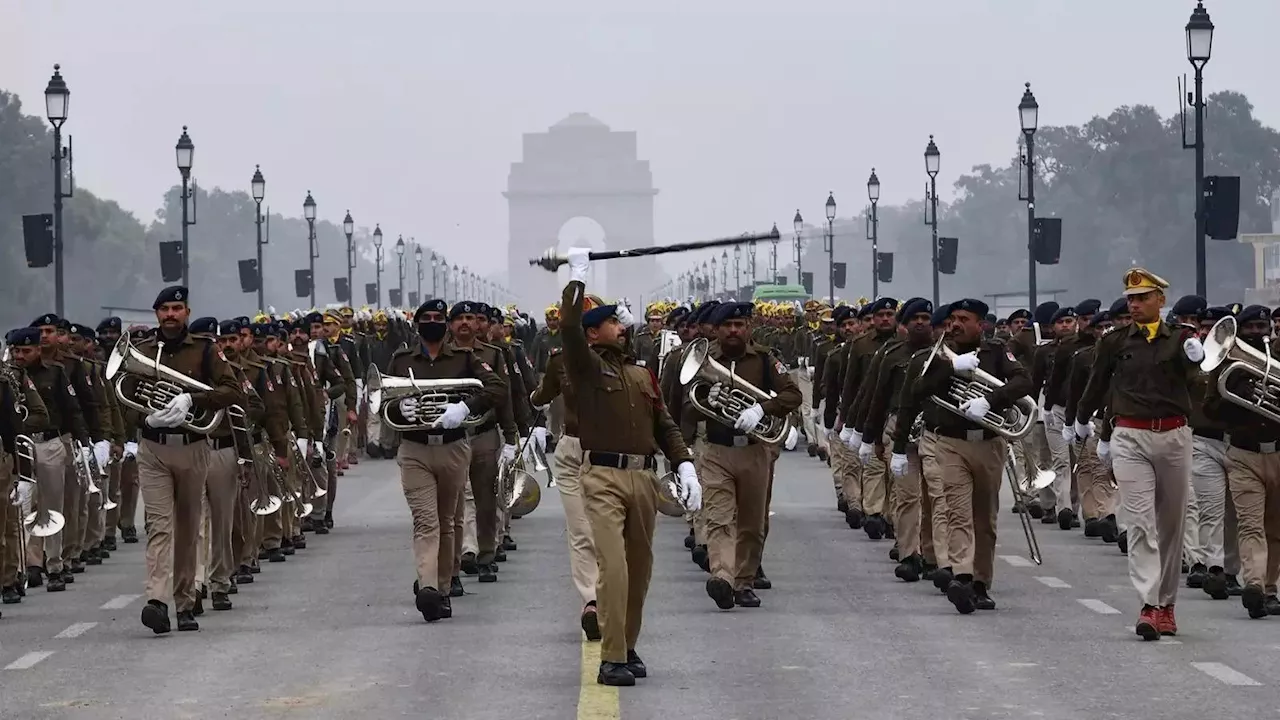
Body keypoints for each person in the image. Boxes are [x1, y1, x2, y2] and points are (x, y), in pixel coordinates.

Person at [559, 247, 700, 687]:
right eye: (613, 322)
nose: (623, 327)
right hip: (601, 476)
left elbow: (665, 424)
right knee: (614, 569)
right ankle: (611, 656)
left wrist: (685, 464)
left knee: (640, 570)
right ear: (594, 334)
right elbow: (567, 327)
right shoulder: (584, 368)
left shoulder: (642, 375)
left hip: (643, 477)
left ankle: (628, 645)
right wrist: (576, 279)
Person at [1074, 268, 1201, 640]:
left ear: (1161, 300)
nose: (1134, 304)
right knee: (1141, 521)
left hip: (1174, 434)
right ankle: (1148, 604)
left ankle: (1167, 604)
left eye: (1143, 297)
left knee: (1172, 525)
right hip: (1129, 435)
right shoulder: (1114, 341)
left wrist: (1198, 359)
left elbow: (1200, 386)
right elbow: (1098, 382)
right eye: (1130, 298)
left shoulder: (1180, 339)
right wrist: (1082, 420)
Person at [123, 286, 246, 634]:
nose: (171, 315)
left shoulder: (206, 350)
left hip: (193, 445)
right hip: (153, 448)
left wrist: (193, 400)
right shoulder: (143, 350)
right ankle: (157, 601)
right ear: (157, 314)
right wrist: (145, 420)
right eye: (164, 309)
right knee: (159, 526)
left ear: (187, 312)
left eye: (177, 308)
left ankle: (185, 601)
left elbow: (232, 391)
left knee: (189, 529)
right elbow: (124, 398)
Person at [898, 298, 1031, 614]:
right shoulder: (937, 354)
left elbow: (1024, 381)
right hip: (949, 443)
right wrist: (948, 367)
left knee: (985, 517)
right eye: (953, 318)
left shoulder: (997, 352)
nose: (955, 324)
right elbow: (915, 391)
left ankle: (981, 583)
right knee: (956, 512)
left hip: (988, 443)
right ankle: (962, 576)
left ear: (980, 324)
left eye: (964, 319)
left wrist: (991, 400)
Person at [387, 299, 505, 623]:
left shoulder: (466, 359)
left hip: (453, 446)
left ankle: (444, 581)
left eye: (440, 317)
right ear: (417, 323)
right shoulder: (401, 360)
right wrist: (401, 410)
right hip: (415, 448)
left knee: (448, 519)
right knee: (426, 520)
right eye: (428, 317)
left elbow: (497, 388)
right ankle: (428, 587)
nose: (434, 322)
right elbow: (384, 402)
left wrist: (466, 407)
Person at [685, 301, 801, 610]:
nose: (733, 330)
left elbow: (793, 394)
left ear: (748, 327)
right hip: (716, 450)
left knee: (751, 522)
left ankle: (744, 581)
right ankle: (722, 577)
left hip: (754, 451)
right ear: (718, 330)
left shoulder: (765, 359)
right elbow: (685, 404)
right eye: (727, 326)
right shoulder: (705, 360)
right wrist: (706, 401)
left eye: (739, 325)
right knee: (720, 518)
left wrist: (762, 408)